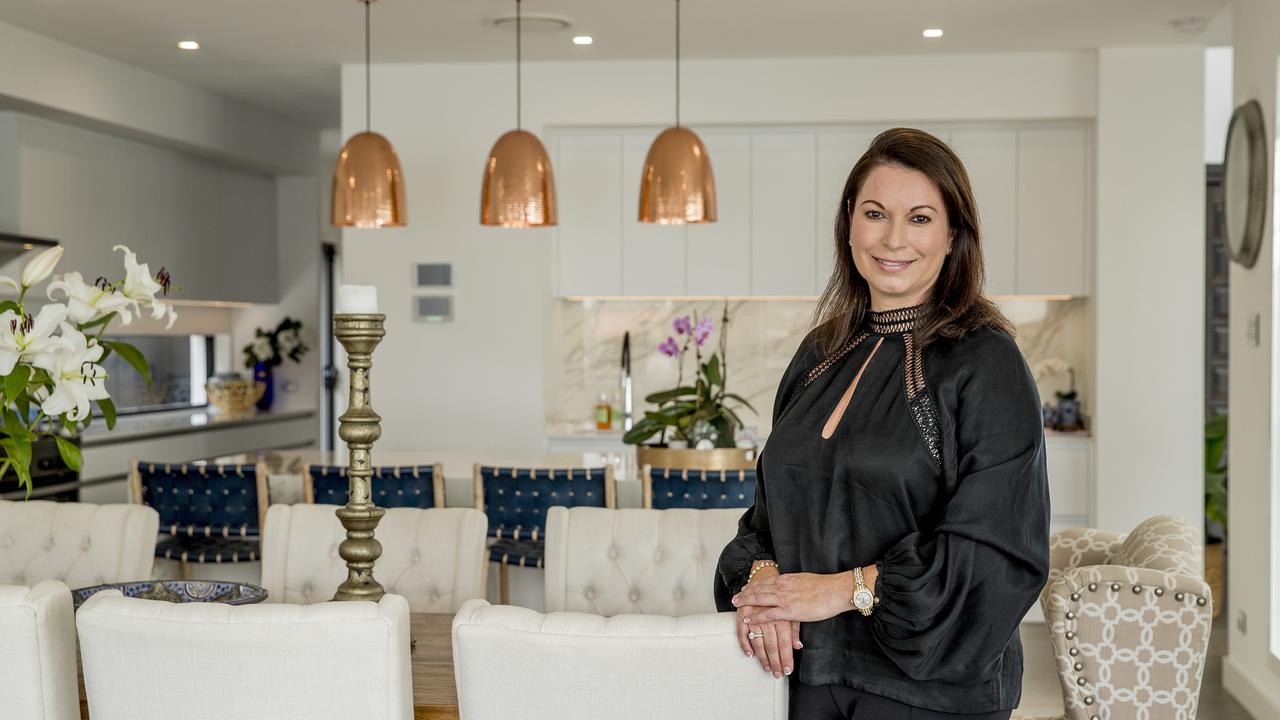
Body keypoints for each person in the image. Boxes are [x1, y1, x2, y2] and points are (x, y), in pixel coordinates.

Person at [716, 127, 1050, 719]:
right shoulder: (820, 352)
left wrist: (839, 589)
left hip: (930, 691)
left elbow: (997, 550)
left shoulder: (985, 361)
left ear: (954, 235)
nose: (894, 238)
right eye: (876, 213)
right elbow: (771, 515)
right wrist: (764, 583)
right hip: (805, 676)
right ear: (849, 224)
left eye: (920, 218)